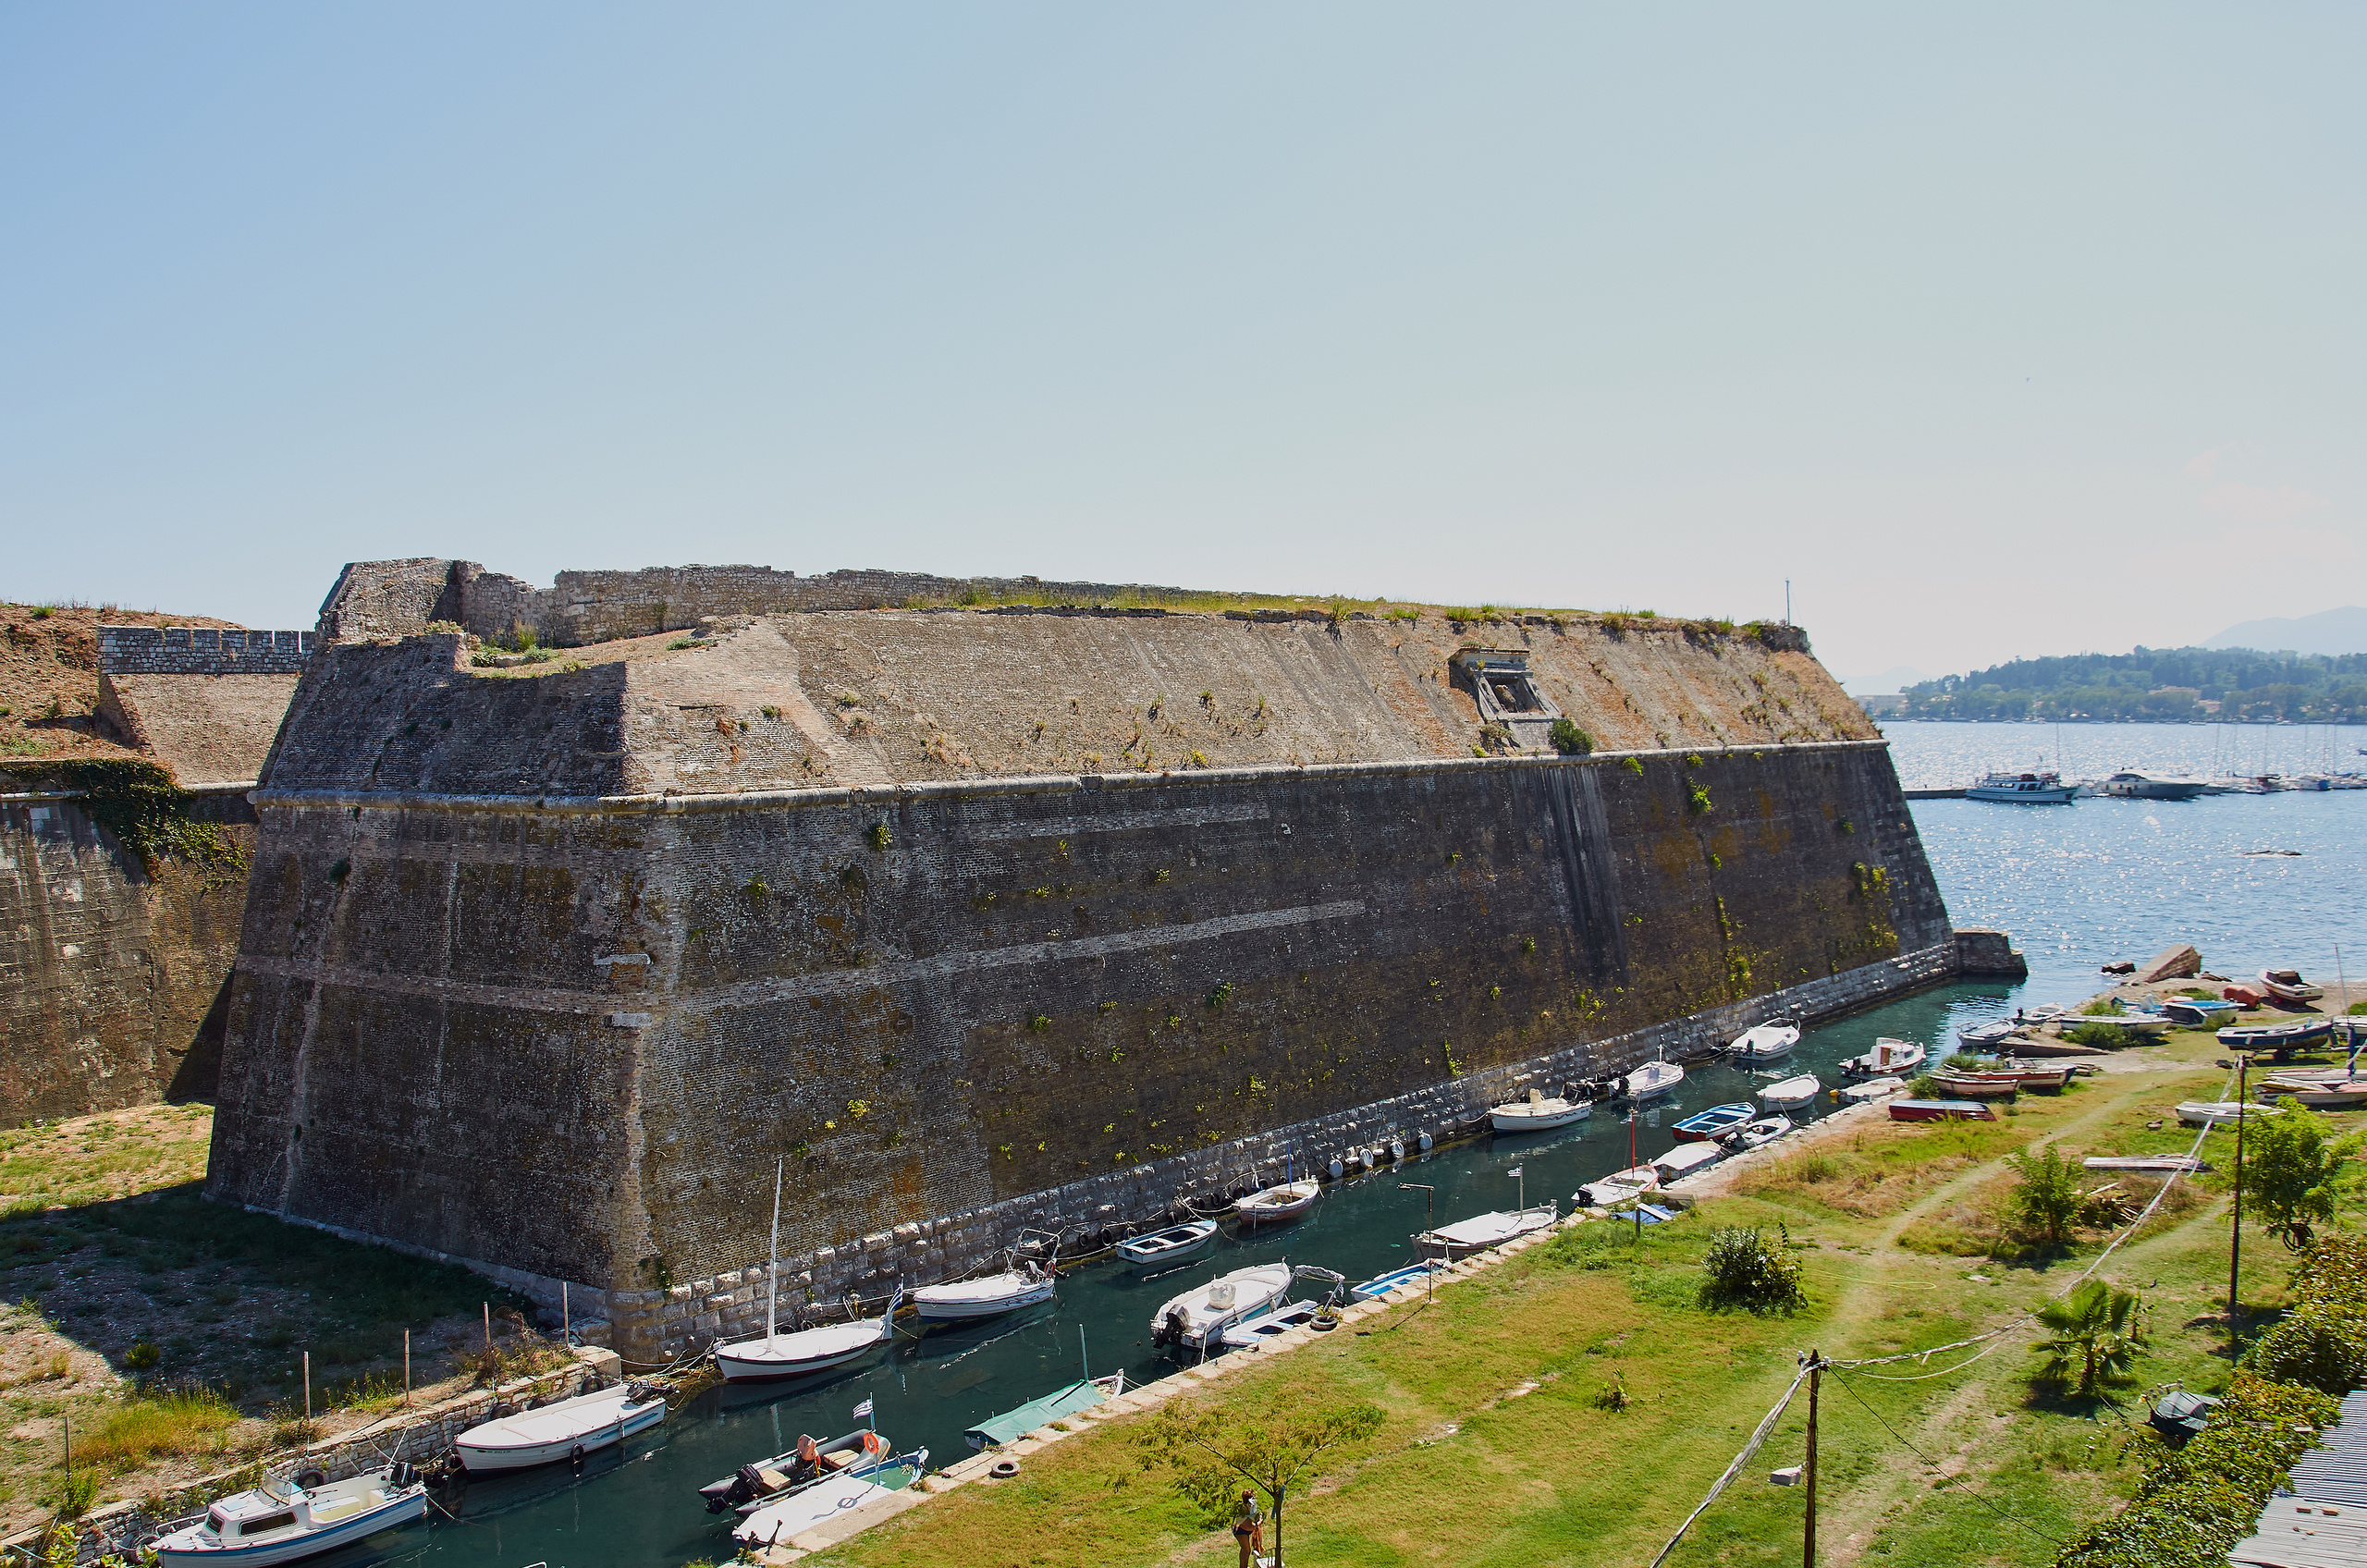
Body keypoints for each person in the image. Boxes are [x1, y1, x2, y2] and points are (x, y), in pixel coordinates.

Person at [1231, 1488, 1264, 1567]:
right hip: (1241, 1531)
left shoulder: (1251, 1507)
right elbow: (1250, 1527)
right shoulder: (1245, 1510)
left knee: (1244, 1550)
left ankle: (1242, 1566)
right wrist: (1260, 1522)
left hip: (1245, 1530)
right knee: (1246, 1550)